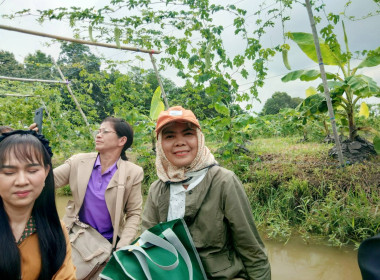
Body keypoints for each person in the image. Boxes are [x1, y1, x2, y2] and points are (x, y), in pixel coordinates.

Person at [142, 106, 271, 280]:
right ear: (160, 144)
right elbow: (149, 244)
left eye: (188, 133)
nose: (179, 142)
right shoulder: (157, 189)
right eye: (170, 136)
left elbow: (252, 250)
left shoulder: (224, 181)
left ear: (199, 139)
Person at [54, 117, 144, 249]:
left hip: (107, 243)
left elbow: (134, 213)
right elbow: (45, 181)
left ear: (122, 140)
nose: (98, 135)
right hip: (75, 238)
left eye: (105, 132)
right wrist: (36, 147)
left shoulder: (133, 173)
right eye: (99, 131)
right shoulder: (79, 162)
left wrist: (123, 245)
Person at [0, 130, 76, 280]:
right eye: (9, 172)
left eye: (32, 170)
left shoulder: (55, 229)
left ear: (47, 171)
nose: (22, 181)